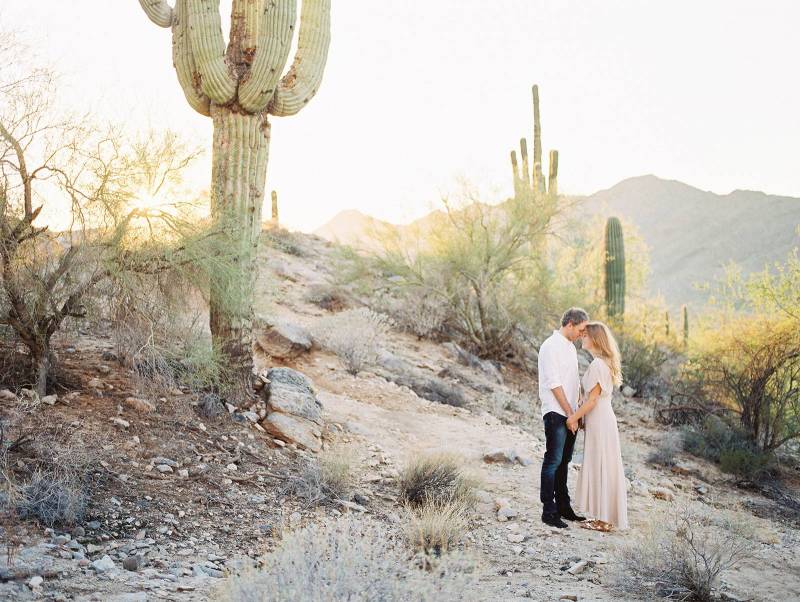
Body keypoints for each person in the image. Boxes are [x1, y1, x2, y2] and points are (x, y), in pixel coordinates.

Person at [567, 321, 629, 531]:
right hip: (601, 418)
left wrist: (573, 418)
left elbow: (592, 400)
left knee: (601, 463)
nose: (582, 338)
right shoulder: (603, 363)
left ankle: (604, 520)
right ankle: (602, 517)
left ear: (594, 339)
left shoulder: (597, 365)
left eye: (585, 335)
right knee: (602, 463)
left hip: (600, 419)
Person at [538, 307, 589, 528]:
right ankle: (548, 511)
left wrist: (577, 412)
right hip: (556, 412)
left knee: (564, 462)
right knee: (553, 461)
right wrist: (570, 413)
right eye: (581, 329)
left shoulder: (570, 348)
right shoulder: (550, 346)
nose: (582, 334)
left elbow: (573, 382)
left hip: (570, 413)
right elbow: (554, 383)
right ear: (570, 323)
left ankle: (564, 508)